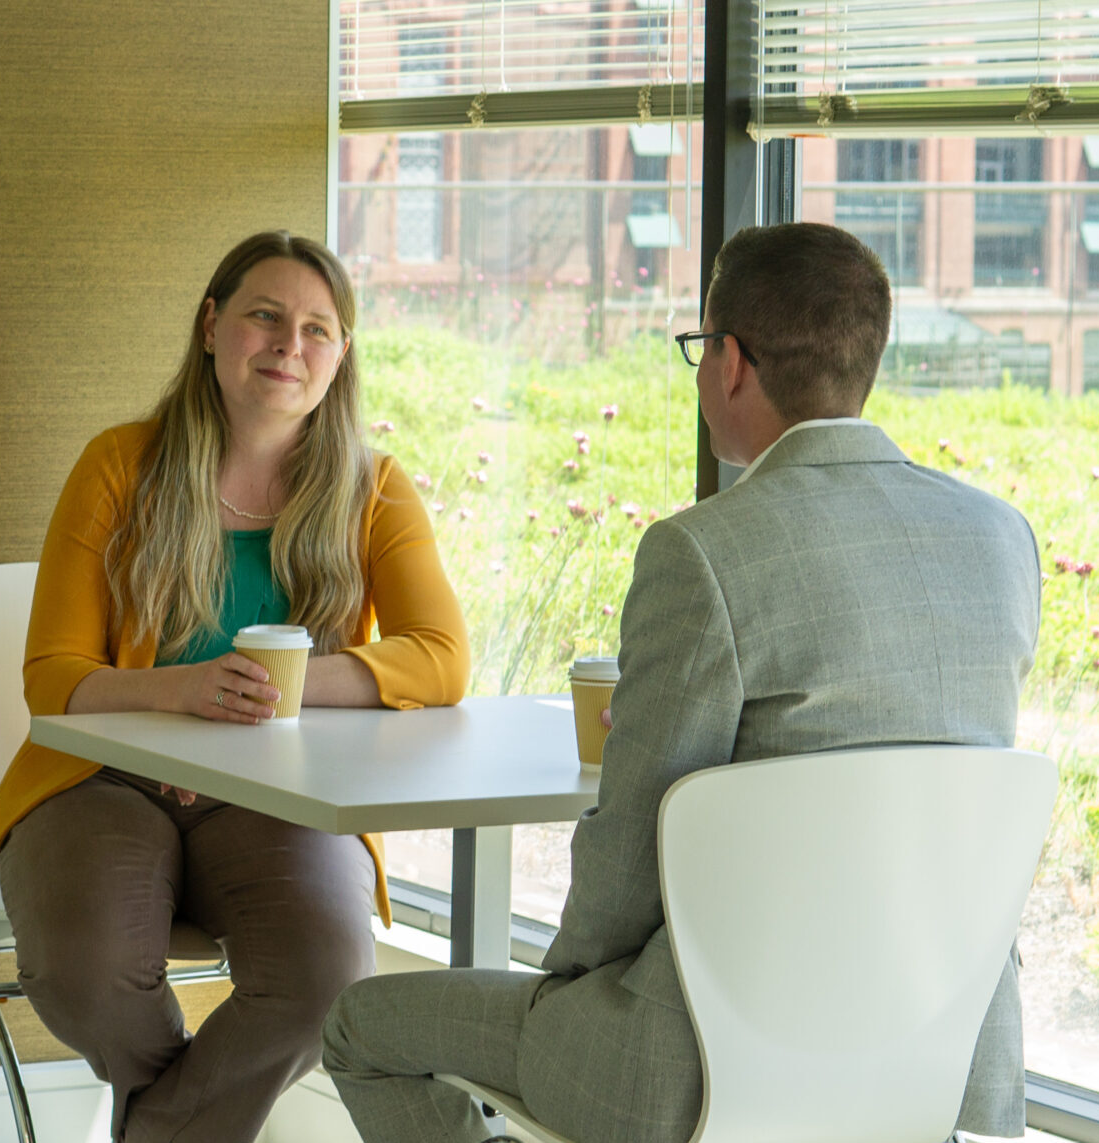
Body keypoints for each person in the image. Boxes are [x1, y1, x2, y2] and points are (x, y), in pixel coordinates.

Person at [319, 221, 1041, 1143]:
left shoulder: (701, 552)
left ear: (730, 361)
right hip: (937, 1053)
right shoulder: (998, 539)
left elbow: (633, 838)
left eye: (699, 350)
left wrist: (568, 988)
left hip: (694, 1064)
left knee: (359, 1026)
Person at [0, 230, 471, 1143]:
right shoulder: (119, 465)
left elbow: (440, 656)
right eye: (265, 317)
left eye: (319, 329)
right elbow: (53, 681)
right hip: (100, 784)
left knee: (329, 976)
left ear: (341, 357)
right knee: (85, 971)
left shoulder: (373, 487)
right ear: (210, 326)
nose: (290, 345)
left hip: (279, 794)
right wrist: (182, 688)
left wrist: (288, 687)